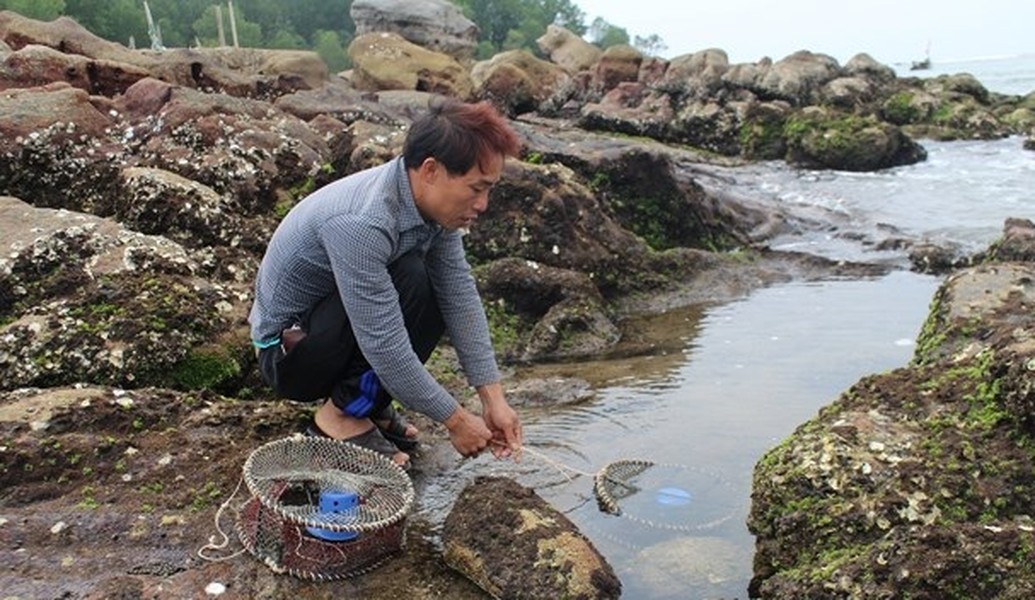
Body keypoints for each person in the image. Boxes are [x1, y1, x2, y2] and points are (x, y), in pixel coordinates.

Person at [248, 96, 523, 468]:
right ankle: (340, 417)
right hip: (288, 354)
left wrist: (495, 401)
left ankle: (368, 405)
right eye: (476, 188)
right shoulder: (362, 223)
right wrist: (455, 420)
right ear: (430, 170)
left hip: (331, 332)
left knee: (434, 286)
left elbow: (459, 296)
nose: (483, 204)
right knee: (409, 275)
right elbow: (384, 343)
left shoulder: (431, 211)